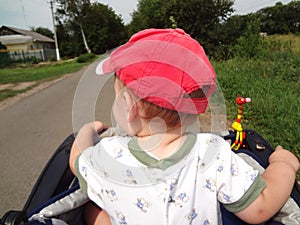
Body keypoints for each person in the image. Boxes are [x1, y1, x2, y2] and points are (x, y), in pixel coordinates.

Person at [69, 28, 299, 225]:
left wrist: (88, 129)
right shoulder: (211, 153)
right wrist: (283, 165)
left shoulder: (108, 154)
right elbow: (260, 207)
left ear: (130, 108)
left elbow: (75, 161)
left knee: (92, 211)